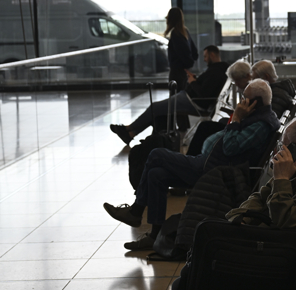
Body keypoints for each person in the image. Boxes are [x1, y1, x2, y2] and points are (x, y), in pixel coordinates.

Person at [104, 79, 280, 250]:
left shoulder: (261, 125)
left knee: (156, 154)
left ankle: (136, 211)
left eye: (244, 98)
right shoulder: (257, 118)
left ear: (255, 102)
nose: (241, 102)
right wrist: (238, 119)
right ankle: (154, 235)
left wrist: (236, 119)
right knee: (155, 175)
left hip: (215, 172)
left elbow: (229, 146)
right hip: (211, 163)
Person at [109, 46, 231, 145]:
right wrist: (195, 80)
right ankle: (130, 133)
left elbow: (203, 93)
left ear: (212, 55)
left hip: (192, 101)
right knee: (159, 110)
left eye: (205, 56)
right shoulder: (219, 70)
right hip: (190, 98)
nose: (204, 59)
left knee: (155, 108)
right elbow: (206, 88)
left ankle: (129, 129)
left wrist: (193, 82)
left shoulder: (215, 72)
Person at [164, 7, 198, 91]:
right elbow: (194, 53)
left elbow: (181, 53)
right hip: (184, 72)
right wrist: (189, 64)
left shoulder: (175, 34)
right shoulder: (185, 32)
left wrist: (187, 62)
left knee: (175, 96)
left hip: (176, 73)